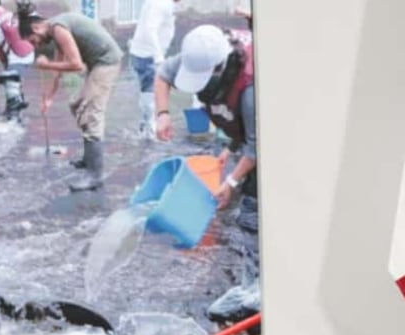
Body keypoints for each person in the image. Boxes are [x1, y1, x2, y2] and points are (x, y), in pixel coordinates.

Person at [154, 25, 258, 231]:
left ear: (219, 67)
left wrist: (230, 182)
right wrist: (162, 114)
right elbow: (163, 74)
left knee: (252, 203)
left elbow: (257, 146)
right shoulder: (199, 52)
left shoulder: (251, 88)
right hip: (247, 125)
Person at [20, 7, 123, 192]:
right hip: (96, 63)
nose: (36, 46)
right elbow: (58, 70)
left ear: (36, 29)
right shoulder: (55, 29)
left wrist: (46, 64)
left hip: (107, 62)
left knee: (92, 114)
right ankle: (88, 159)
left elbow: (75, 65)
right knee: (76, 106)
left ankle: (95, 176)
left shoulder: (59, 28)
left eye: (33, 41)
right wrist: (49, 99)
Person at [128, 0, 178, 137]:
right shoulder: (160, 4)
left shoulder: (161, 3)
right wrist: (158, 57)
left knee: (148, 91)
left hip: (144, 53)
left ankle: (146, 127)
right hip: (148, 55)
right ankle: (150, 130)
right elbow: (150, 29)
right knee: (151, 92)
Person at [0, 0, 34, 123]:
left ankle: (13, 118)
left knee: (11, 85)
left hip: (18, 56)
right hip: (27, 52)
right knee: (13, 85)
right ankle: (14, 111)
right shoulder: (7, 13)